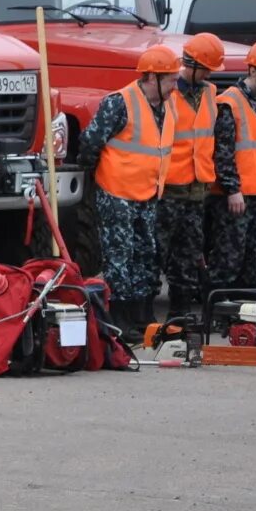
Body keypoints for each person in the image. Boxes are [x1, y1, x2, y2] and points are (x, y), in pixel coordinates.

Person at [74, 44, 179, 333]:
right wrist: (96, 178)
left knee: (146, 254)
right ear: (152, 77)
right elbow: (90, 143)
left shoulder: (168, 106)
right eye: (171, 78)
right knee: (120, 255)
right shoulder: (119, 103)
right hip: (117, 193)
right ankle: (119, 319)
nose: (175, 84)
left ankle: (142, 316)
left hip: (147, 193)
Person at [155, 33, 233, 319]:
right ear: (193, 64)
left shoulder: (210, 93)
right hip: (169, 189)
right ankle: (144, 315)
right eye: (208, 68)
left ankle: (181, 312)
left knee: (188, 255)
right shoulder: (168, 94)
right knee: (157, 252)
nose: (211, 74)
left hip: (197, 189)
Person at [208, 39, 256, 291]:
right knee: (228, 257)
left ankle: (252, 311)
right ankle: (219, 309)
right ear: (253, 70)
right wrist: (232, 190)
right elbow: (223, 153)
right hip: (238, 197)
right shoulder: (229, 103)